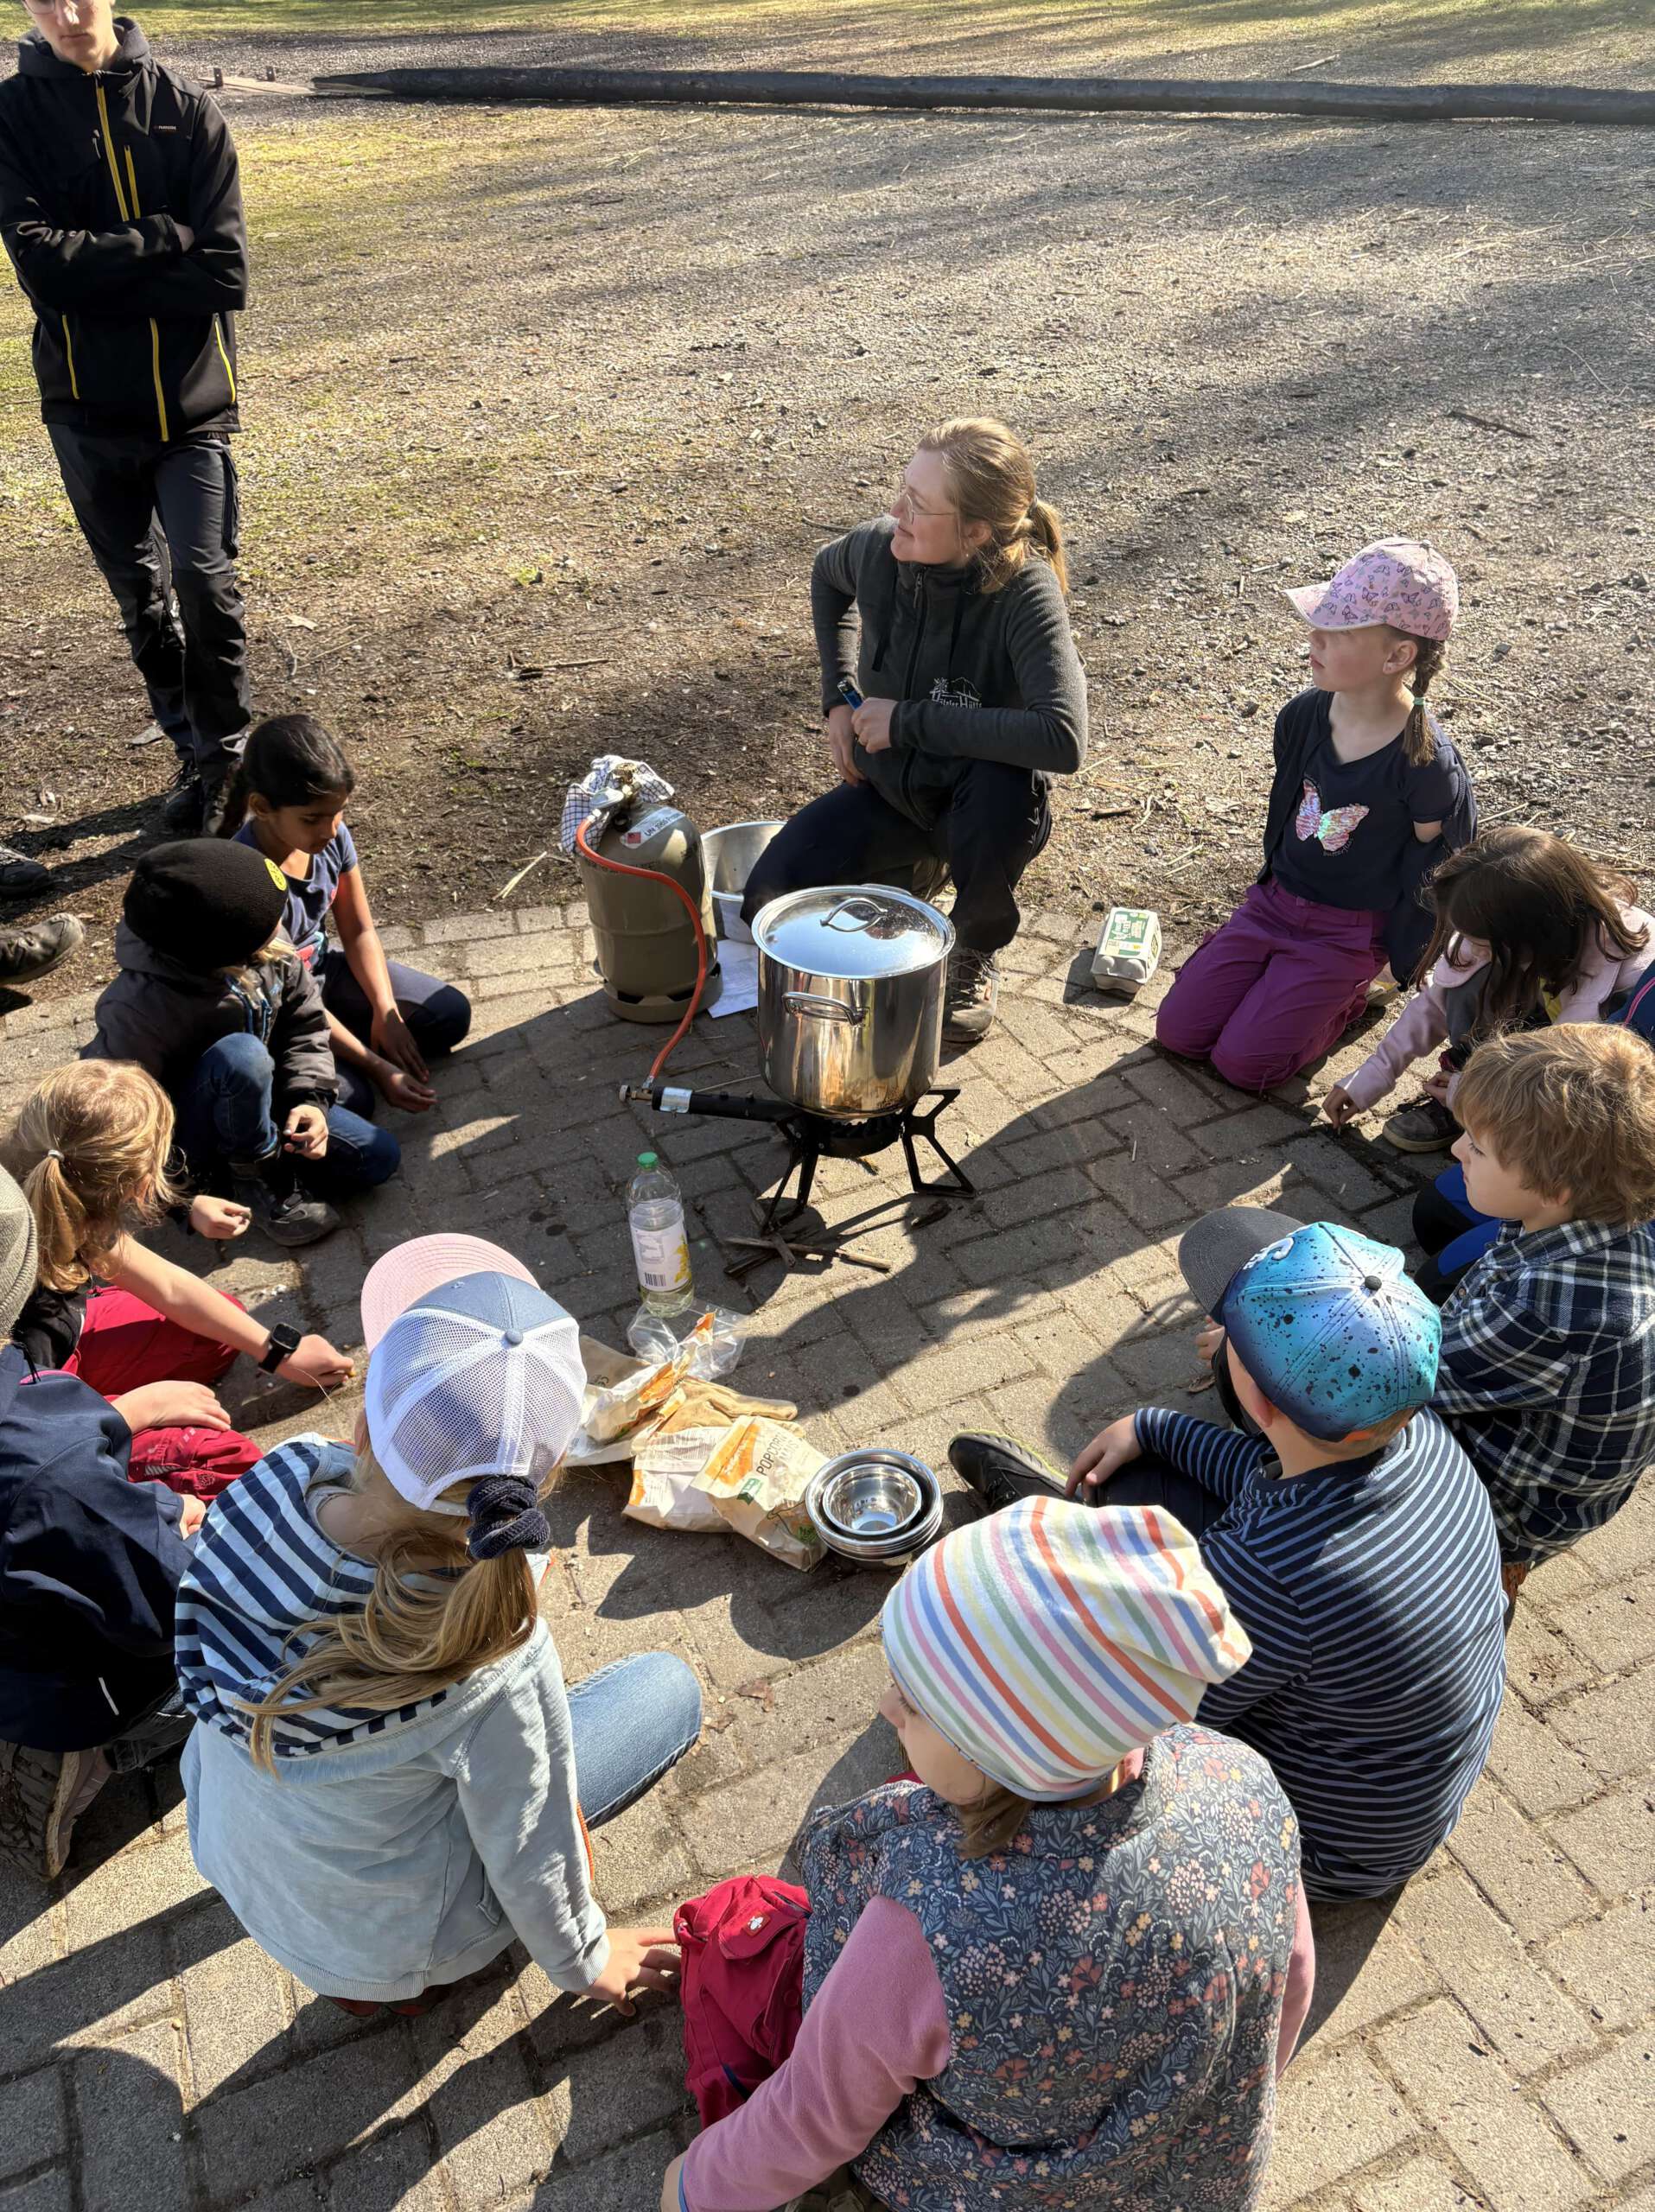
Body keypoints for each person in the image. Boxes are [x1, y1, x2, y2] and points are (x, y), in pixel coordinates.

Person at [663, 1496, 1313, 2212]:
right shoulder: (1240, 1781)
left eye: (912, 1701)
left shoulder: (927, 1928)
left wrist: (696, 2187)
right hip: (1179, 2183)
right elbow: (1288, 1977)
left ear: (1001, 1752)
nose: (885, 1706)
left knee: (733, 1928)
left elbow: (814, 2112)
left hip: (989, 2189)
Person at [178, 1233, 703, 2017]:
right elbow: (532, 1840)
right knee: (669, 1688)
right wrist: (586, 1958)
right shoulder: (496, 1657)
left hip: (246, 1872)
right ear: (541, 1482)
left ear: (361, 1428)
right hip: (407, 1963)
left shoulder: (276, 1478)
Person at [951, 1220, 1506, 1900]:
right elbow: (1268, 1471)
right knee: (1137, 1487)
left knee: (1063, 1738)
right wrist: (1152, 1427)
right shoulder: (1417, 1434)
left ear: (1257, 1400)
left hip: (1323, 1850)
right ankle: (1075, 1531)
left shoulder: (1271, 1575)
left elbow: (1145, 1717)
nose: (1213, 1341)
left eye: (1227, 1342)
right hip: (1393, 1788)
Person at [740, 416, 1087, 1041]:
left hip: (980, 812)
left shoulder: (1023, 592)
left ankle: (973, 947)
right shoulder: (878, 550)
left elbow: (1062, 737)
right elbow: (825, 575)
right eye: (902, 488)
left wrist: (905, 719)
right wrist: (839, 698)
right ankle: (911, 879)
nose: (896, 509)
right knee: (766, 900)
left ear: (975, 531)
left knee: (996, 794)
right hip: (889, 792)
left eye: (919, 504)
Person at [0, 0, 250, 834]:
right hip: (83, 409)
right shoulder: (12, 116)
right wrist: (158, 237)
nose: (69, 11)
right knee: (140, 598)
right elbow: (42, 265)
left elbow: (224, 275)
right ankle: (192, 746)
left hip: (191, 406)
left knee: (204, 583)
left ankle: (226, 760)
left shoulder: (186, 110)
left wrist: (99, 267)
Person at [1156, 538, 1474, 1093]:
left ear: (1396, 657)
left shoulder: (1426, 764)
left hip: (1346, 934)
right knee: (1178, 1033)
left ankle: (1352, 997)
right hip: (1273, 903)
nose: (1314, 638)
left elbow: (1432, 871)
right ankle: (1268, 983)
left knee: (1245, 1066)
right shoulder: (1302, 716)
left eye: (1340, 630)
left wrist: (1397, 958)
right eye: (1319, 621)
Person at [4, 1060, 354, 1496]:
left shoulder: (57, 1190)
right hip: (28, 1415)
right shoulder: (26, 1243)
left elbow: (167, 1287)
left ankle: (102, 1401)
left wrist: (277, 1353)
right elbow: (19, 1439)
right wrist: (140, 1409)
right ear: (135, 1186)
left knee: (221, 1327)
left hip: (53, 1358)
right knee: (215, 1458)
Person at [0, 1163, 203, 1881]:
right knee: (251, 1627)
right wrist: (174, 1518)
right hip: (52, 1683)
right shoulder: (49, 1454)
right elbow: (169, 1610)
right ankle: (81, 1754)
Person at [1423, 1027, 1655, 1606]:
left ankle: (1462, 1574)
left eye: (1476, 1147)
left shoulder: (1547, 1309)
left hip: (1498, 1515)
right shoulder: (1603, 1229)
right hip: (1545, 1477)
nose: (1456, 1152)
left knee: (1269, 1382)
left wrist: (1249, 1348)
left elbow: (1398, 1384)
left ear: (1550, 1186)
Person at [85, 838, 399, 1246]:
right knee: (243, 1056)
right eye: (267, 927)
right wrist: (180, 1202)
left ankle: (253, 1149)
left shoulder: (263, 940)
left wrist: (309, 1099)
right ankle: (255, 1173)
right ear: (223, 949)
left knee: (377, 1157)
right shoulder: (136, 1010)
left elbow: (305, 1023)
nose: (280, 930)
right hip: (185, 1137)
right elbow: (115, 1128)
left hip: (252, 1097)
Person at [1323, 825, 1652, 1182]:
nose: (1470, 946)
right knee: (1469, 980)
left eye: (1481, 941)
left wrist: (1473, 1095)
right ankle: (1470, 1089)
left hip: (1583, 1079)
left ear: (1534, 931)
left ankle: (1483, 1110)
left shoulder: (1628, 981)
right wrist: (1374, 1075)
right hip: (1542, 1023)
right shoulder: (1512, 924)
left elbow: (1576, 1082)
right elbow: (1436, 1001)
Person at [220, 714, 472, 1118]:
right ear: (262, 807)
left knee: (450, 1016)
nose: (331, 830)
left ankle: (356, 1039)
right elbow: (287, 997)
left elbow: (357, 931)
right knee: (356, 1100)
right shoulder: (245, 880)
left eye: (338, 813)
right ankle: (348, 1051)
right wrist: (376, 1065)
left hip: (323, 971)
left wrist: (386, 1009)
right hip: (285, 1003)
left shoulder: (331, 838)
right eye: (313, 819)